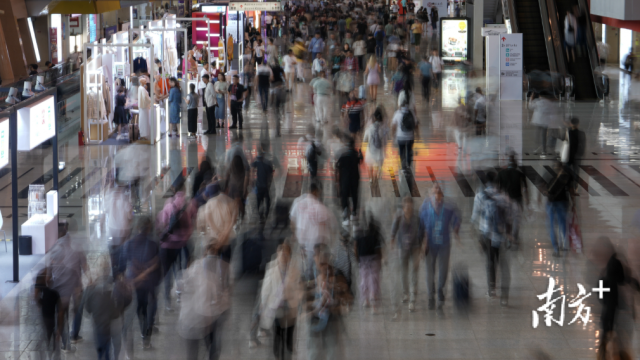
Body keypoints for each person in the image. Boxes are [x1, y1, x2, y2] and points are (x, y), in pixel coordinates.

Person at [178, 241, 232, 360]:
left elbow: (184, 287)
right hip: (215, 311)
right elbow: (228, 287)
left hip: (204, 312)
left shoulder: (197, 267)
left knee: (202, 343)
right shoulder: (223, 266)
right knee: (213, 340)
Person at [47, 220, 89, 352]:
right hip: (75, 285)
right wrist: (91, 279)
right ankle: (74, 335)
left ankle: (65, 343)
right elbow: (84, 265)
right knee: (77, 309)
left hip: (59, 287)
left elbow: (49, 272)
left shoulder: (53, 248)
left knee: (62, 314)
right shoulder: (76, 245)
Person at [471, 171, 512, 306]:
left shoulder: (480, 196)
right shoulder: (504, 196)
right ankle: (505, 296)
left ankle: (491, 290)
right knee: (503, 264)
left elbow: (474, 217)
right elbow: (509, 216)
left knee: (490, 262)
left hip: (487, 234)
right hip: (501, 235)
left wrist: (476, 234)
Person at [120, 216, 161, 351]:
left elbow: (126, 263)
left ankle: (144, 334)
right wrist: (147, 272)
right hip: (150, 281)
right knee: (152, 304)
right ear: (149, 229)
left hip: (136, 282)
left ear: (137, 228)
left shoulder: (129, 244)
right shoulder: (154, 244)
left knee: (141, 308)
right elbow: (156, 262)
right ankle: (147, 332)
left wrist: (137, 273)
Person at [420, 184, 461, 310]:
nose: (437, 190)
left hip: (444, 243)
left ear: (442, 193)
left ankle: (441, 291)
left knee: (443, 270)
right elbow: (420, 223)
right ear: (430, 192)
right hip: (430, 243)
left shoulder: (449, 205)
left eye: (439, 189)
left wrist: (456, 228)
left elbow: (457, 216)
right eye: (434, 188)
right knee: (430, 271)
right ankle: (431, 295)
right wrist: (422, 241)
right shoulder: (425, 205)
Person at [259, 242, 303, 360]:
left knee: (289, 335)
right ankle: (278, 355)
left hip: (291, 307)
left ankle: (288, 353)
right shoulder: (271, 269)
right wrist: (263, 305)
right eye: (281, 251)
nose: (283, 254)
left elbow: (299, 287)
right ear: (277, 254)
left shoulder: (295, 270)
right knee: (278, 333)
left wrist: (297, 299)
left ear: (289, 255)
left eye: (285, 251)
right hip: (277, 307)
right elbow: (265, 289)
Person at [289, 183, 335, 279]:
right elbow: (332, 227)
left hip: (305, 243)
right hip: (319, 245)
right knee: (320, 270)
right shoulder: (320, 206)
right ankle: (317, 286)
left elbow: (293, 221)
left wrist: (296, 237)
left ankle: (310, 283)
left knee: (307, 269)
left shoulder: (298, 201)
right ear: (316, 192)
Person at [157, 191, 194, 311]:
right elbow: (189, 226)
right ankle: (179, 293)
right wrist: (184, 238)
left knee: (166, 274)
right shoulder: (186, 207)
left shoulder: (168, 206)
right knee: (178, 270)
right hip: (179, 245)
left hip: (167, 246)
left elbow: (163, 224)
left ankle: (167, 300)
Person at [391, 196, 423, 314]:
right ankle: (405, 293)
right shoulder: (399, 218)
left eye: (410, 206)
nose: (408, 208)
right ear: (403, 208)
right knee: (404, 273)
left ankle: (412, 300)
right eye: (406, 206)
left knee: (414, 274)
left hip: (415, 248)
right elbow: (393, 232)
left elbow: (422, 233)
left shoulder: (417, 218)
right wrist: (392, 245)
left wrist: (421, 251)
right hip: (402, 249)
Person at [497, 153, 528, 249]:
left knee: (507, 220)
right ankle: (514, 239)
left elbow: (498, 188)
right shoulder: (520, 173)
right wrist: (527, 201)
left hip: (505, 200)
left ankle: (508, 240)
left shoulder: (501, 173)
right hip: (517, 199)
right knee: (516, 220)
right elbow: (525, 188)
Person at [544, 161, 575, 256]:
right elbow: (571, 191)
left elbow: (545, 190)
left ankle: (556, 249)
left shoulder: (550, 176)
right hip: (562, 202)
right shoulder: (567, 176)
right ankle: (565, 247)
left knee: (551, 226)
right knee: (563, 225)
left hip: (551, 203)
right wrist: (573, 203)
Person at [355, 214, 384, 313]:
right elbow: (378, 249)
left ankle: (366, 300)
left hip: (363, 260)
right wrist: (380, 260)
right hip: (373, 260)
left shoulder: (359, 234)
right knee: (373, 281)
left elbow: (355, 247)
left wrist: (357, 259)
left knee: (364, 280)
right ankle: (373, 305)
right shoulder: (375, 234)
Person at [336, 137, 361, 226]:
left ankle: (346, 215)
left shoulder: (343, 155)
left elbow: (337, 166)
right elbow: (360, 160)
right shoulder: (355, 154)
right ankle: (354, 213)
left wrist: (337, 181)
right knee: (354, 195)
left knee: (345, 196)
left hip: (345, 179)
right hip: (354, 178)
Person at [251, 143, 277, 222]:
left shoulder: (257, 161)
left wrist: (252, 179)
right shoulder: (268, 163)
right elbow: (271, 174)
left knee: (259, 200)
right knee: (268, 200)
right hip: (266, 185)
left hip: (259, 185)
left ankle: (260, 214)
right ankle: (266, 213)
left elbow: (252, 167)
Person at [391, 97, 417, 173]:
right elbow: (415, 124)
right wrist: (417, 134)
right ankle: (408, 166)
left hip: (400, 137)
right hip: (410, 137)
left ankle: (403, 167)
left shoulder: (397, 113)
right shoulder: (411, 113)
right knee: (409, 151)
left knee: (401, 152)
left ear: (400, 106)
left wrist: (393, 135)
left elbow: (393, 125)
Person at [363, 106, 387, 185]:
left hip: (370, 151)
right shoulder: (382, 128)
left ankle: (370, 179)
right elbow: (384, 141)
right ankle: (376, 177)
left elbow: (364, 140)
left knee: (370, 166)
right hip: (379, 151)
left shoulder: (369, 128)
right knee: (377, 166)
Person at [566, 117, 585, 188]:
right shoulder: (581, 133)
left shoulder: (568, 132)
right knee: (576, 171)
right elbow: (583, 145)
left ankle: (568, 184)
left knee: (567, 169)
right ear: (578, 124)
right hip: (577, 155)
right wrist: (582, 154)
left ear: (570, 124)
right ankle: (575, 185)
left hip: (568, 155)